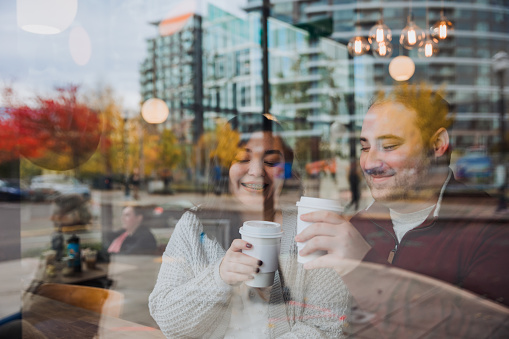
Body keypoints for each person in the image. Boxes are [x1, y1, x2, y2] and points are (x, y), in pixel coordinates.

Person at [295, 85, 509, 311]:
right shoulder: (358, 227)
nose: (369, 164)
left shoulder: (492, 228)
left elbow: (479, 329)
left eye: (389, 146)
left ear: (437, 145)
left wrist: (362, 266)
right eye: (365, 148)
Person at [149, 114, 348, 338]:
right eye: (242, 159)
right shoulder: (194, 226)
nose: (256, 171)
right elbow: (167, 319)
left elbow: (327, 325)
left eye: (271, 162)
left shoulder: (309, 226)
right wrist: (219, 277)